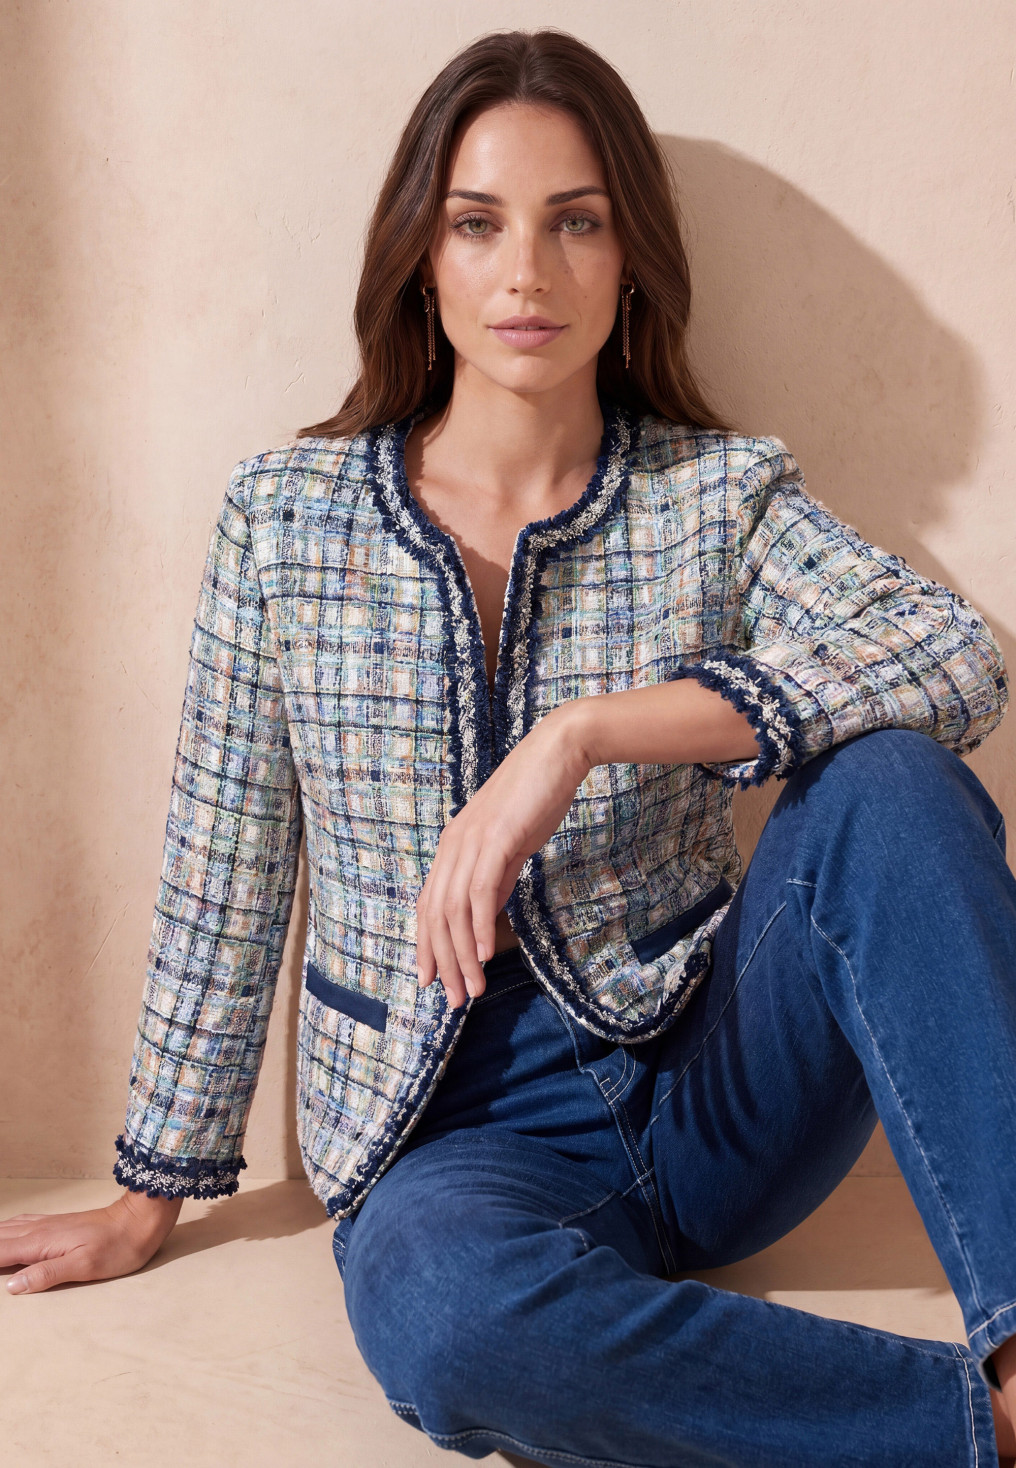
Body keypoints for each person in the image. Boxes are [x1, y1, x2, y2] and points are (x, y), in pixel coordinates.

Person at [2, 25, 1015, 1467]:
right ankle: (971, 1429)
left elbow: (953, 655)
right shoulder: (287, 521)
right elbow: (224, 868)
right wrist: (149, 1187)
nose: (527, 272)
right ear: (422, 257)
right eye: (478, 223)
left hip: (716, 1090)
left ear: (629, 254)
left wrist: (584, 735)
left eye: (575, 222)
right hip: (452, 1155)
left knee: (895, 784)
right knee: (448, 1324)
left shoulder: (713, 494)